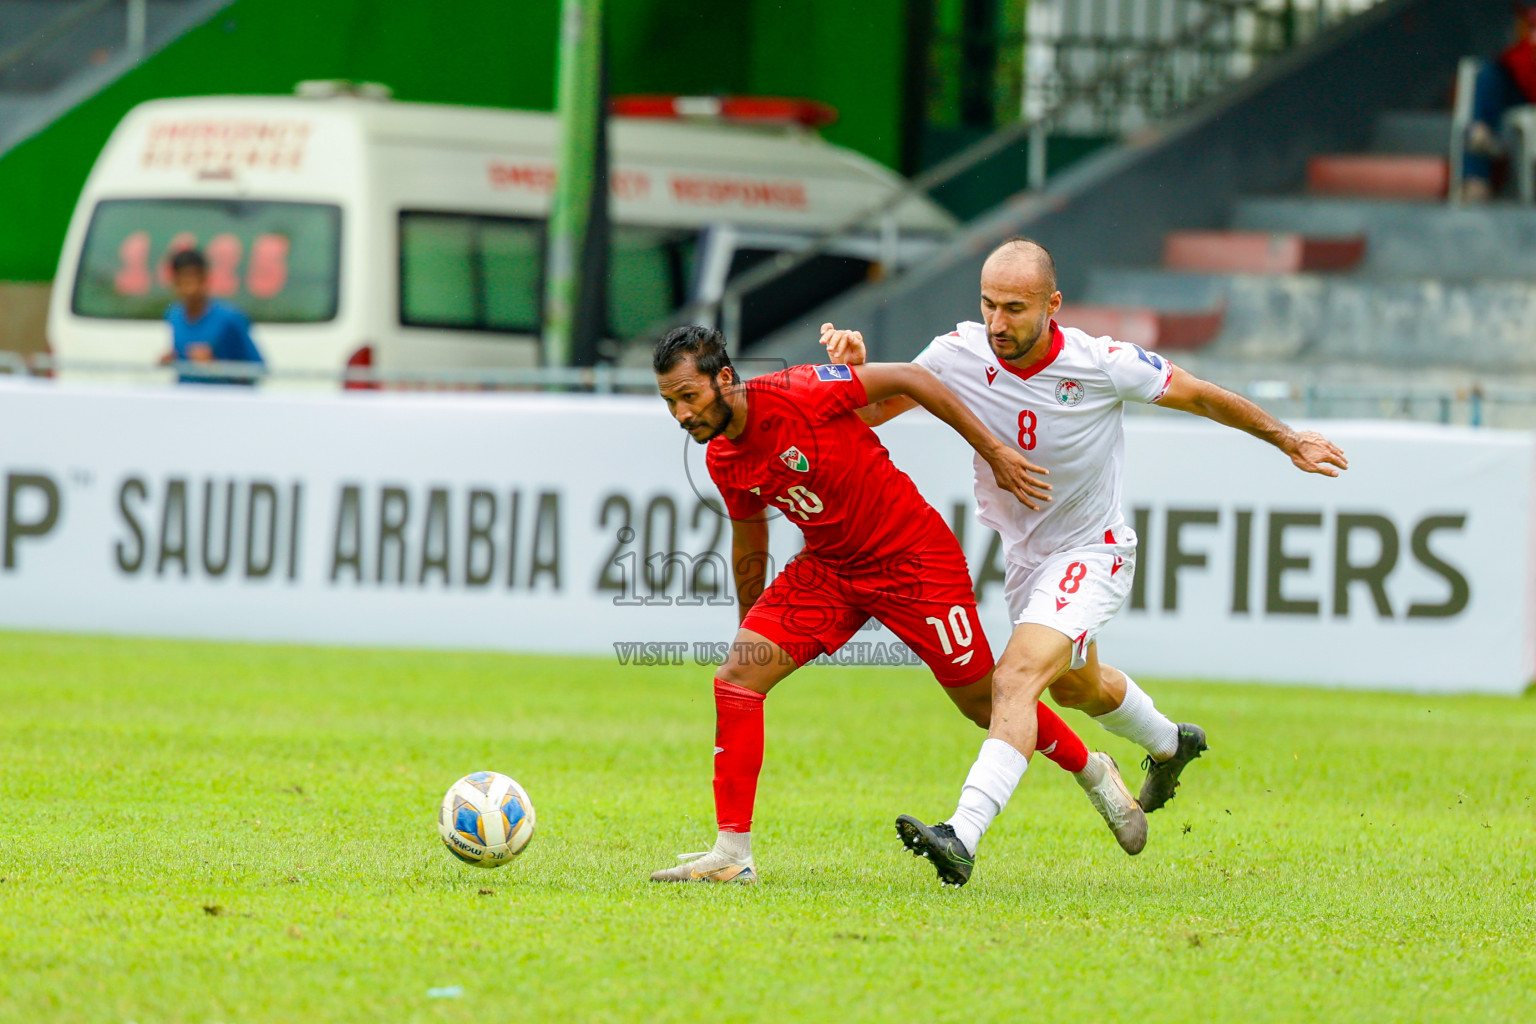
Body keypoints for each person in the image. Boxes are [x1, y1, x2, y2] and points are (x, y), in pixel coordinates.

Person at [820, 237, 1348, 887]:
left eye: (1014, 308)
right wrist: (855, 369)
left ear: (1053, 305)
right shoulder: (955, 354)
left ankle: (961, 834)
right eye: (987, 305)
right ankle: (1169, 743)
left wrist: (1288, 437)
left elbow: (1202, 395)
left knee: (1013, 680)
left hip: (1092, 552)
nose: (996, 324)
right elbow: (873, 412)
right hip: (1025, 559)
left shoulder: (1100, 363)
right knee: (1078, 688)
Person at [648, 324, 1149, 884]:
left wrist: (995, 453)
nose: (681, 415)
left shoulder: (801, 390)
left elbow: (914, 377)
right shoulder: (722, 456)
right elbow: (749, 538)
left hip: (914, 563)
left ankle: (1094, 773)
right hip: (832, 571)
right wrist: (752, 627)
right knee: (738, 678)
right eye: (670, 402)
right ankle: (732, 855)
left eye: (688, 397)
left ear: (723, 379)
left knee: (986, 704)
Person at [1461, 4, 1536, 202]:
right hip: (1523, 86)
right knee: (1489, 75)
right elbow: (1510, 62)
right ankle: (1479, 131)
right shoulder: (1527, 17)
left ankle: (1479, 134)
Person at [160, 249, 265, 385]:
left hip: (222, 401)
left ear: (205, 279)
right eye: (182, 281)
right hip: (186, 399)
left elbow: (258, 369)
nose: (189, 289)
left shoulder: (230, 318)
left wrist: (215, 367)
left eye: (193, 280)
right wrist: (173, 359)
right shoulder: (173, 315)